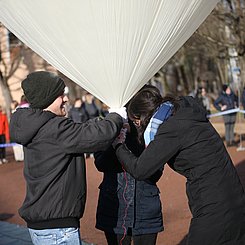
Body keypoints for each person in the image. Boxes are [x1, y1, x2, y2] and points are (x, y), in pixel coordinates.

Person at [112, 86, 245, 245]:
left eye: (136, 122)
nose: (137, 126)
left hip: (213, 207)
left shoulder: (171, 128)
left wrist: (118, 144)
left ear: (144, 116)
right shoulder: (182, 112)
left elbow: (140, 169)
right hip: (235, 199)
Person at [9, 71, 123, 245]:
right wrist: (116, 116)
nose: (65, 99)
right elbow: (97, 136)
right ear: (46, 99)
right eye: (60, 95)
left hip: (43, 223)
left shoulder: (38, 125)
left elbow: (79, 131)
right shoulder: (54, 127)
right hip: (57, 227)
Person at [94, 117, 163, 245]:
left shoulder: (151, 130)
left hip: (145, 210)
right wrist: (116, 136)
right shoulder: (106, 127)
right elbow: (101, 164)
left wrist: (132, 136)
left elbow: (155, 173)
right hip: (114, 207)